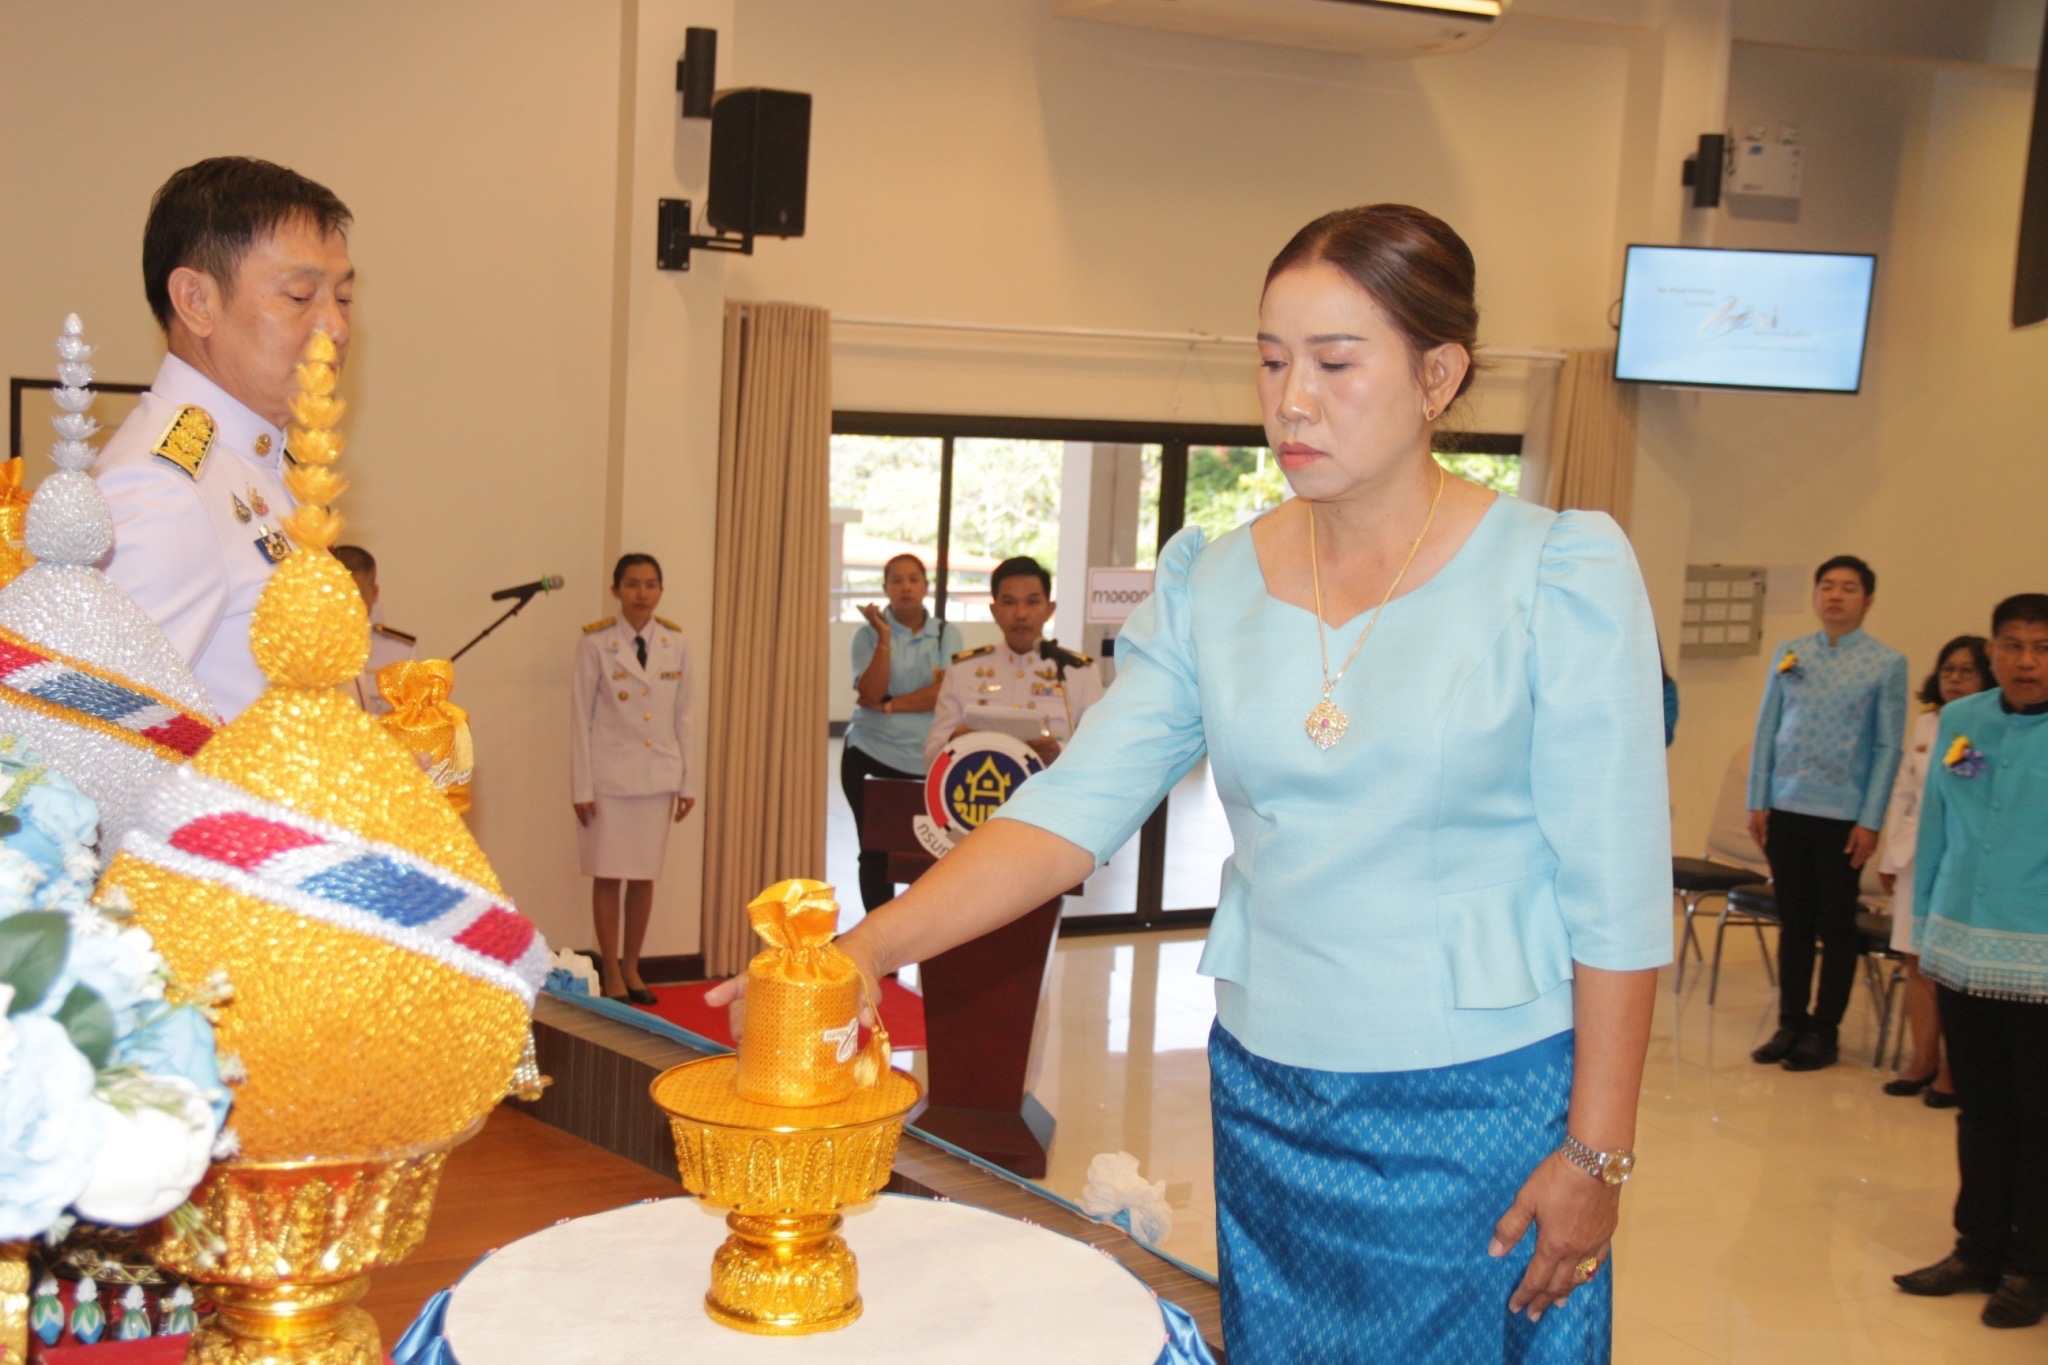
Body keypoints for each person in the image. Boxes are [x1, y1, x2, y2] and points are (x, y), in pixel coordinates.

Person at [722, 204, 1670, 1362]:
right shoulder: (1214, 583)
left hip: (1477, 1100)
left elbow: (1614, 887)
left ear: (1437, 374)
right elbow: (1069, 815)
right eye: (1270, 362)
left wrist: (1595, 1152)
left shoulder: (1552, 574)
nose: (1290, 400)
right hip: (1272, 1089)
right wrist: (864, 948)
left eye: (1333, 362)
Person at [94, 156, 354, 720]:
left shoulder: (257, 461)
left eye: (344, 298)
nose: (335, 326)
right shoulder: (162, 488)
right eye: (300, 296)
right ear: (197, 302)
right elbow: (93, 747)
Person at [1894, 593, 2048, 1331]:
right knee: (1979, 1109)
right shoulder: (1962, 721)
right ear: (1991, 651)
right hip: (1959, 941)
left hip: (2040, 956)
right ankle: (1976, 1248)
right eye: (2013, 645)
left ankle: (2032, 1264)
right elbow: (1938, 831)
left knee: (2039, 1116)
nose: (2027, 661)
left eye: (2043, 647)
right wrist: (1923, 926)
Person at [1746, 556, 1909, 1071]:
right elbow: (1768, 729)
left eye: (1849, 588)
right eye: (1827, 586)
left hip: (1843, 815)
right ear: (1817, 595)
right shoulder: (1790, 652)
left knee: (1835, 925)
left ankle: (1825, 1030)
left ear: (1868, 600)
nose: (1835, 596)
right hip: (1786, 805)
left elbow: (1887, 746)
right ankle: (1789, 1023)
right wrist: (1758, 799)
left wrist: (1871, 819)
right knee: (1793, 922)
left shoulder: (1886, 664)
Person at [569, 554, 696, 1004]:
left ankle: (633, 966)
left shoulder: (674, 644)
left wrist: (687, 782)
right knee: (608, 876)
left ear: (661, 590)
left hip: (657, 777)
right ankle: (611, 971)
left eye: (650, 584)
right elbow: (580, 719)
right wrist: (581, 788)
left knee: (644, 878)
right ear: (616, 590)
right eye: (632, 584)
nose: (642, 593)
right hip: (609, 780)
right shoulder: (596, 643)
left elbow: (683, 718)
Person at [1876, 635, 1992, 1105]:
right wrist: (1889, 858)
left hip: (1962, 864)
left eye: (1967, 671)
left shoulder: (1988, 727)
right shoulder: (1927, 725)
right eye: (1949, 670)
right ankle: (1922, 1059)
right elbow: (1905, 795)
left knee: (1952, 970)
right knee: (1916, 962)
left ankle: (1953, 1068)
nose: (1956, 679)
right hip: (1914, 861)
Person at [841, 553, 962, 912]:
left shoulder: (945, 633)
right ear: (885, 588)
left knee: (926, 855)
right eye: (896, 580)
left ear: (926, 586)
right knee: (875, 852)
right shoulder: (865, 636)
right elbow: (871, 692)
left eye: (913, 579)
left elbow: (944, 694)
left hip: (928, 760)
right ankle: (881, 954)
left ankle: (920, 937)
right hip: (869, 753)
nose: (906, 587)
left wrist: (892, 704)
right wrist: (883, 635)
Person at [922, 556, 1106, 770]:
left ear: (1049, 609)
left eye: (1032, 601)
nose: (1021, 614)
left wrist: (1059, 751)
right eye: (1009, 602)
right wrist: (954, 740)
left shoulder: (1078, 673)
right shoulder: (963, 671)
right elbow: (930, 759)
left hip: (1051, 797)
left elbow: (1102, 752)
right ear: (994, 611)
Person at [332, 544, 418, 715]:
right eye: (341, 595)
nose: (350, 606)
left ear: (374, 593)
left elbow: (409, 720)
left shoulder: (400, 652)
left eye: (358, 595)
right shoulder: (308, 649)